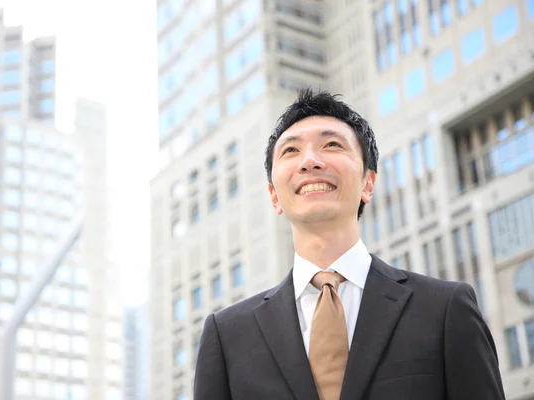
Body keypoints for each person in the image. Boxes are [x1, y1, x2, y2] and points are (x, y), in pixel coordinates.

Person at [193, 89, 505, 400]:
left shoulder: (445, 309)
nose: (310, 161)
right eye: (291, 151)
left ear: (368, 183)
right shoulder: (227, 336)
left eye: (331, 145)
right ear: (274, 196)